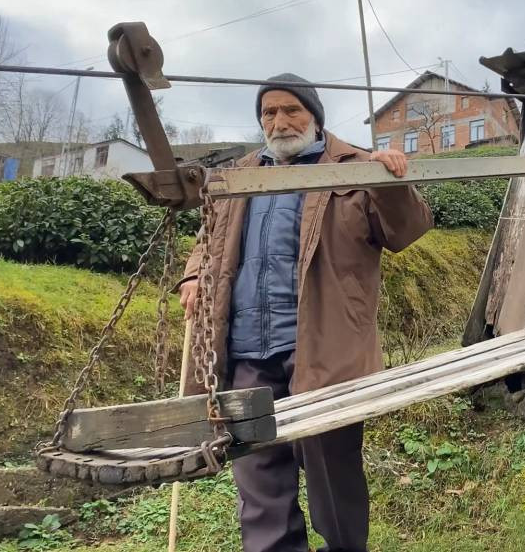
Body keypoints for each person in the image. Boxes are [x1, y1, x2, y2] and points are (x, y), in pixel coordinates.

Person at [178, 73, 433, 552]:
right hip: (247, 353)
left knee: (331, 472)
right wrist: (193, 275)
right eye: (269, 112)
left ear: (314, 116)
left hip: (322, 352)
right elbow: (208, 238)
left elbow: (406, 230)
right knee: (258, 477)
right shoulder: (240, 173)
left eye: (291, 109)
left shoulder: (354, 167)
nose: (280, 121)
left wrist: (390, 182)